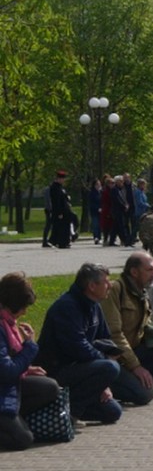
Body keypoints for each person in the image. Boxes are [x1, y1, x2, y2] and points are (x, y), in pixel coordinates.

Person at [35, 264, 123, 423]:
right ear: (91, 286)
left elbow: (104, 338)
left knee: (112, 412)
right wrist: (103, 360)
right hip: (58, 370)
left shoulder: (95, 305)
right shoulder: (67, 307)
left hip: (82, 368)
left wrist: (103, 383)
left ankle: (70, 407)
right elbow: (77, 347)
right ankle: (69, 413)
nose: (110, 285)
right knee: (110, 367)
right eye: (106, 281)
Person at [101, 252, 153, 404]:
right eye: (149, 270)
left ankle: (132, 379)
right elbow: (115, 334)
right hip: (114, 357)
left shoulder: (142, 291)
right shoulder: (116, 290)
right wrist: (136, 367)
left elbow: (147, 325)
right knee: (145, 395)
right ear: (134, 272)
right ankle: (107, 384)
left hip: (131, 351)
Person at [0, 273, 60, 450]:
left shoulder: (7, 324)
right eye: (23, 307)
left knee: (49, 387)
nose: (25, 312)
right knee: (23, 439)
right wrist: (29, 348)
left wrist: (27, 367)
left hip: (7, 388)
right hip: (4, 387)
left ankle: (13, 420)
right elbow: (7, 371)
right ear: (13, 305)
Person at [48, 170, 74, 249]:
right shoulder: (55, 188)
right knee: (61, 227)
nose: (63, 180)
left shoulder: (61, 188)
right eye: (62, 178)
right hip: (60, 211)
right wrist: (59, 212)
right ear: (58, 178)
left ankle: (65, 241)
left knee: (65, 227)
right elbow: (56, 201)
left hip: (65, 210)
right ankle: (61, 242)